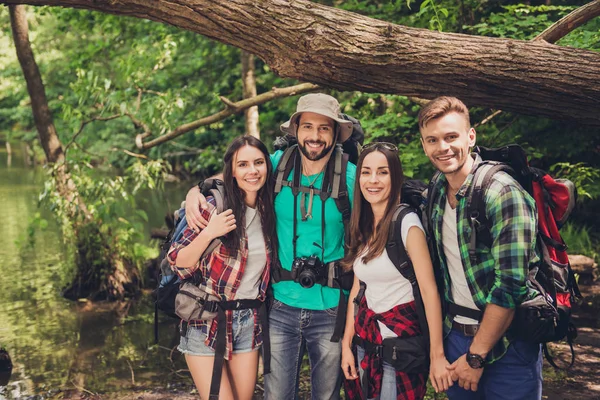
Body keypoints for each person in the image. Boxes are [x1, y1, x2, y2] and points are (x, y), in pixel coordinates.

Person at [185, 93, 357, 400]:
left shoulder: (351, 177)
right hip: (280, 306)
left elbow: (377, 224)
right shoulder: (279, 165)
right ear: (296, 131)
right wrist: (195, 191)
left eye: (324, 128)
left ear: (334, 134)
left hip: (332, 305)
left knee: (327, 396)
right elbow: (237, 173)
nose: (315, 136)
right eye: (308, 127)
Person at [418, 96, 542, 399]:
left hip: (508, 345)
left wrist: (477, 356)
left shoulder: (502, 193)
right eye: (432, 140)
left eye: (451, 137)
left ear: (470, 136)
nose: (443, 148)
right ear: (423, 145)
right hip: (455, 338)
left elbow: (511, 286)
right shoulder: (436, 188)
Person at [167, 135, 277, 400]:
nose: (252, 171)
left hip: (248, 320)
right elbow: (176, 261)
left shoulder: (270, 207)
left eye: (259, 163)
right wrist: (209, 233)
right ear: (233, 171)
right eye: (243, 165)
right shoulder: (215, 207)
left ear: (267, 167)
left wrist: (194, 188)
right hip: (206, 320)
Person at [340, 143, 452, 400]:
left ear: (396, 177)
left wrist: (437, 356)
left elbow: (429, 292)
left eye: (383, 172)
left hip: (400, 351)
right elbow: (358, 289)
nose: (373, 180)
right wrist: (347, 344)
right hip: (365, 343)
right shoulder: (365, 224)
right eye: (366, 172)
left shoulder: (407, 225)